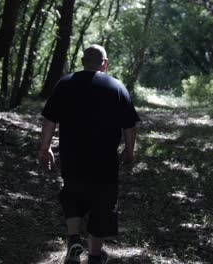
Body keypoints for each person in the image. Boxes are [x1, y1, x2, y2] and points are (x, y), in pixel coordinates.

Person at [39, 44, 139, 264]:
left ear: (83, 61)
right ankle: (94, 256)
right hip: (105, 161)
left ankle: (74, 239)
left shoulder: (64, 83)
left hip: (72, 156)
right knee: (101, 204)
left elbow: (49, 119)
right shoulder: (117, 87)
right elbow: (129, 127)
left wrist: (45, 148)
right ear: (105, 63)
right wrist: (129, 152)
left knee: (72, 194)